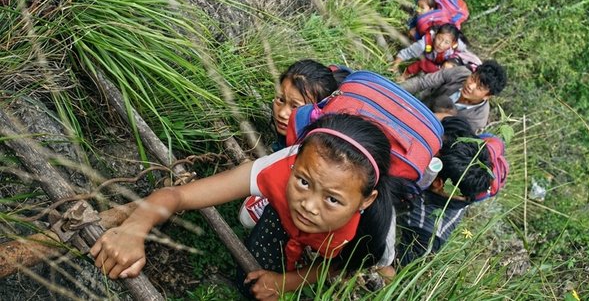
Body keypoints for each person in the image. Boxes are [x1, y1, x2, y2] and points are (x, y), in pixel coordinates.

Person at [90, 114, 402, 299]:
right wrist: (134, 228)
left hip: (337, 250)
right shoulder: (279, 168)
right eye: (304, 182)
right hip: (284, 213)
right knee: (260, 254)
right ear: (294, 162)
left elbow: (347, 267)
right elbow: (180, 195)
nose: (308, 205)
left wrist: (287, 283)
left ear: (366, 200)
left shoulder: (373, 230)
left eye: (332, 199)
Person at [244, 60, 348, 228]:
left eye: (295, 106)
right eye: (280, 100)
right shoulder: (300, 132)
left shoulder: (323, 151)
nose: (283, 113)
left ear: (317, 112)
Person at [396, 116, 492, 265]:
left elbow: (394, 271)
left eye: (432, 159)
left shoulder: (426, 235)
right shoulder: (464, 186)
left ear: (437, 182)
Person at [400, 60, 507, 132]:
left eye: (479, 88)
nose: (470, 86)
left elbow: (450, 135)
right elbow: (422, 82)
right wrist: (395, 90)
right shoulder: (460, 73)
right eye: (473, 78)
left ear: (487, 96)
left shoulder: (477, 119)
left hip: (429, 130)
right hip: (419, 105)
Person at [390, 24, 468, 82]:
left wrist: (451, 63)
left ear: (452, 44)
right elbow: (406, 53)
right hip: (431, 61)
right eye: (439, 39)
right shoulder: (424, 43)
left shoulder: (458, 46)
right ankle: (404, 76)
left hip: (443, 65)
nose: (441, 44)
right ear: (435, 35)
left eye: (446, 42)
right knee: (423, 64)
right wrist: (395, 65)